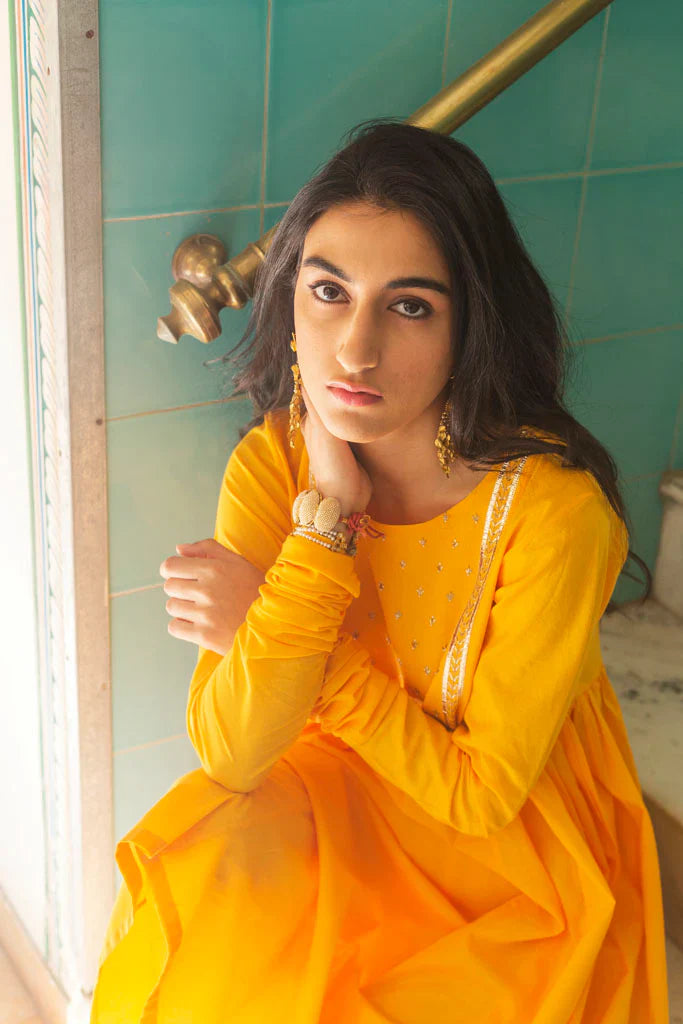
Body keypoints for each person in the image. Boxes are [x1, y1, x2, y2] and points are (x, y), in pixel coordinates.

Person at [89, 118, 670, 1022]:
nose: (354, 349)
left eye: (409, 307)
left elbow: (478, 797)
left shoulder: (555, 514)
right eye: (328, 291)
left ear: (469, 327)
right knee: (205, 883)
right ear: (289, 303)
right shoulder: (275, 462)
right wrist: (324, 519)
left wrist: (286, 626)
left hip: (508, 847)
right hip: (345, 781)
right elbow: (233, 751)